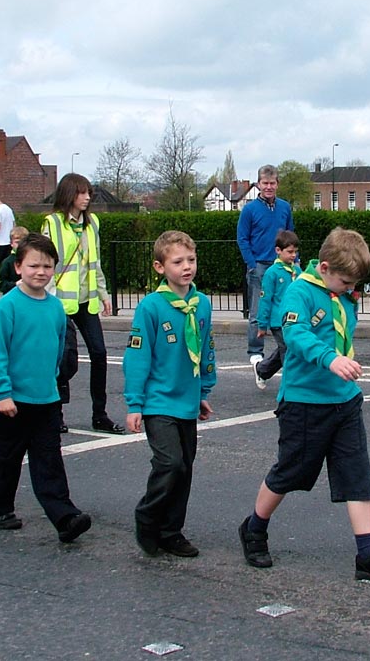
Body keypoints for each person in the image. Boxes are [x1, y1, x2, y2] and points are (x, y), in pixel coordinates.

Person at [238, 228, 370, 581]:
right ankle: (254, 528)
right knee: (290, 473)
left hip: (344, 401)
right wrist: (330, 359)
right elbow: (296, 335)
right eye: (345, 281)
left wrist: (342, 358)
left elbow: (340, 326)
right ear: (325, 267)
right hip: (305, 402)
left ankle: (367, 553)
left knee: (357, 474)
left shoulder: (341, 294)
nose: (350, 289)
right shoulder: (299, 292)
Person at [0, 233, 92, 543]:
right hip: (12, 399)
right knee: (6, 458)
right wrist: (2, 392)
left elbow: (59, 346)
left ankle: (64, 516)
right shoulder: (8, 307)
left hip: (46, 398)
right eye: (33, 265)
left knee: (49, 460)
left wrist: (55, 379)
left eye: (47, 265)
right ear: (18, 267)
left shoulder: (56, 308)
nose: (41, 272)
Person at [124, 231, 216, 558]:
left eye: (191, 260)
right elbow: (137, 356)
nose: (186, 267)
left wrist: (203, 390)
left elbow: (206, 349)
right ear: (160, 267)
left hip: (187, 400)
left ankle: (171, 531)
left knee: (185, 467)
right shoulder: (151, 307)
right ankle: (148, 515)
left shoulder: (201, 304)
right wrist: (134, 403)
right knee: (170, 462)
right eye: (178, 262)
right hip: (157, 401)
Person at [42, 173, 124, 434]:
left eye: (88, 192)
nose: (87, 197)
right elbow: (46, 264)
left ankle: (99, 414)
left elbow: (95, 263)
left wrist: (103, 294)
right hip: (60, 302)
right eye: (82, 192)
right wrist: (48, 298)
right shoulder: (52, 224)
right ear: (69, 194)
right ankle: (56, 411)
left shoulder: (93, 224)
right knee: (65, 360)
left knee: (99, 354)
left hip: (86, 300)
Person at [237, 164, 294, 369]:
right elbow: (242, 238)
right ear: (258, 184)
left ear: (277, 184)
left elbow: (290, 235)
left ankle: (288, 345)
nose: (268, 187)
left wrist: (294, 261)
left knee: (286, 307)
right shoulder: (249, 210)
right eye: (265, 183)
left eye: (272, 183)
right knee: (257, 310)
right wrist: (251, 264)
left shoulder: (285, 207)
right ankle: (255, 350)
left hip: (282, 265)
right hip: (259, 265)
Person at [253, 229, 301, 390]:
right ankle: (291, 385)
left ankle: (262, 370)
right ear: (278, 251)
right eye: (289, 252)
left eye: (295, 251)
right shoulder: (272, 273)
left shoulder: (297, 271)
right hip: (278, 321)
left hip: (295, 319)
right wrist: (262, 324)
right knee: (288, 351)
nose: (293, 255)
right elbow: (265, 299)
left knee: (286, 348)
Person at [0, 226, 30, 294]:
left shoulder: (32, 259)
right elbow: (0, 282)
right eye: (17, 242)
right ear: (11, 243)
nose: (20, 245)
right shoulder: (7, 262)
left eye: (23, 242)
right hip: (12, 295)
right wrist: (15, 284)